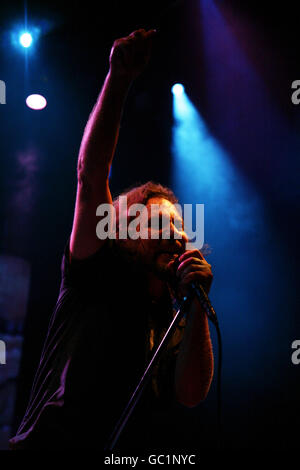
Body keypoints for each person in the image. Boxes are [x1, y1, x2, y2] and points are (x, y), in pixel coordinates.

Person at [9, 29, 214, 451]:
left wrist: (195, 311)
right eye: (159, 225)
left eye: (178, 227)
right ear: (127, 232)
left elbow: (191, 394)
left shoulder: (173, 314)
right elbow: (91, 171)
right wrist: (118, 79)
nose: (175, 236)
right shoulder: (96, 267)